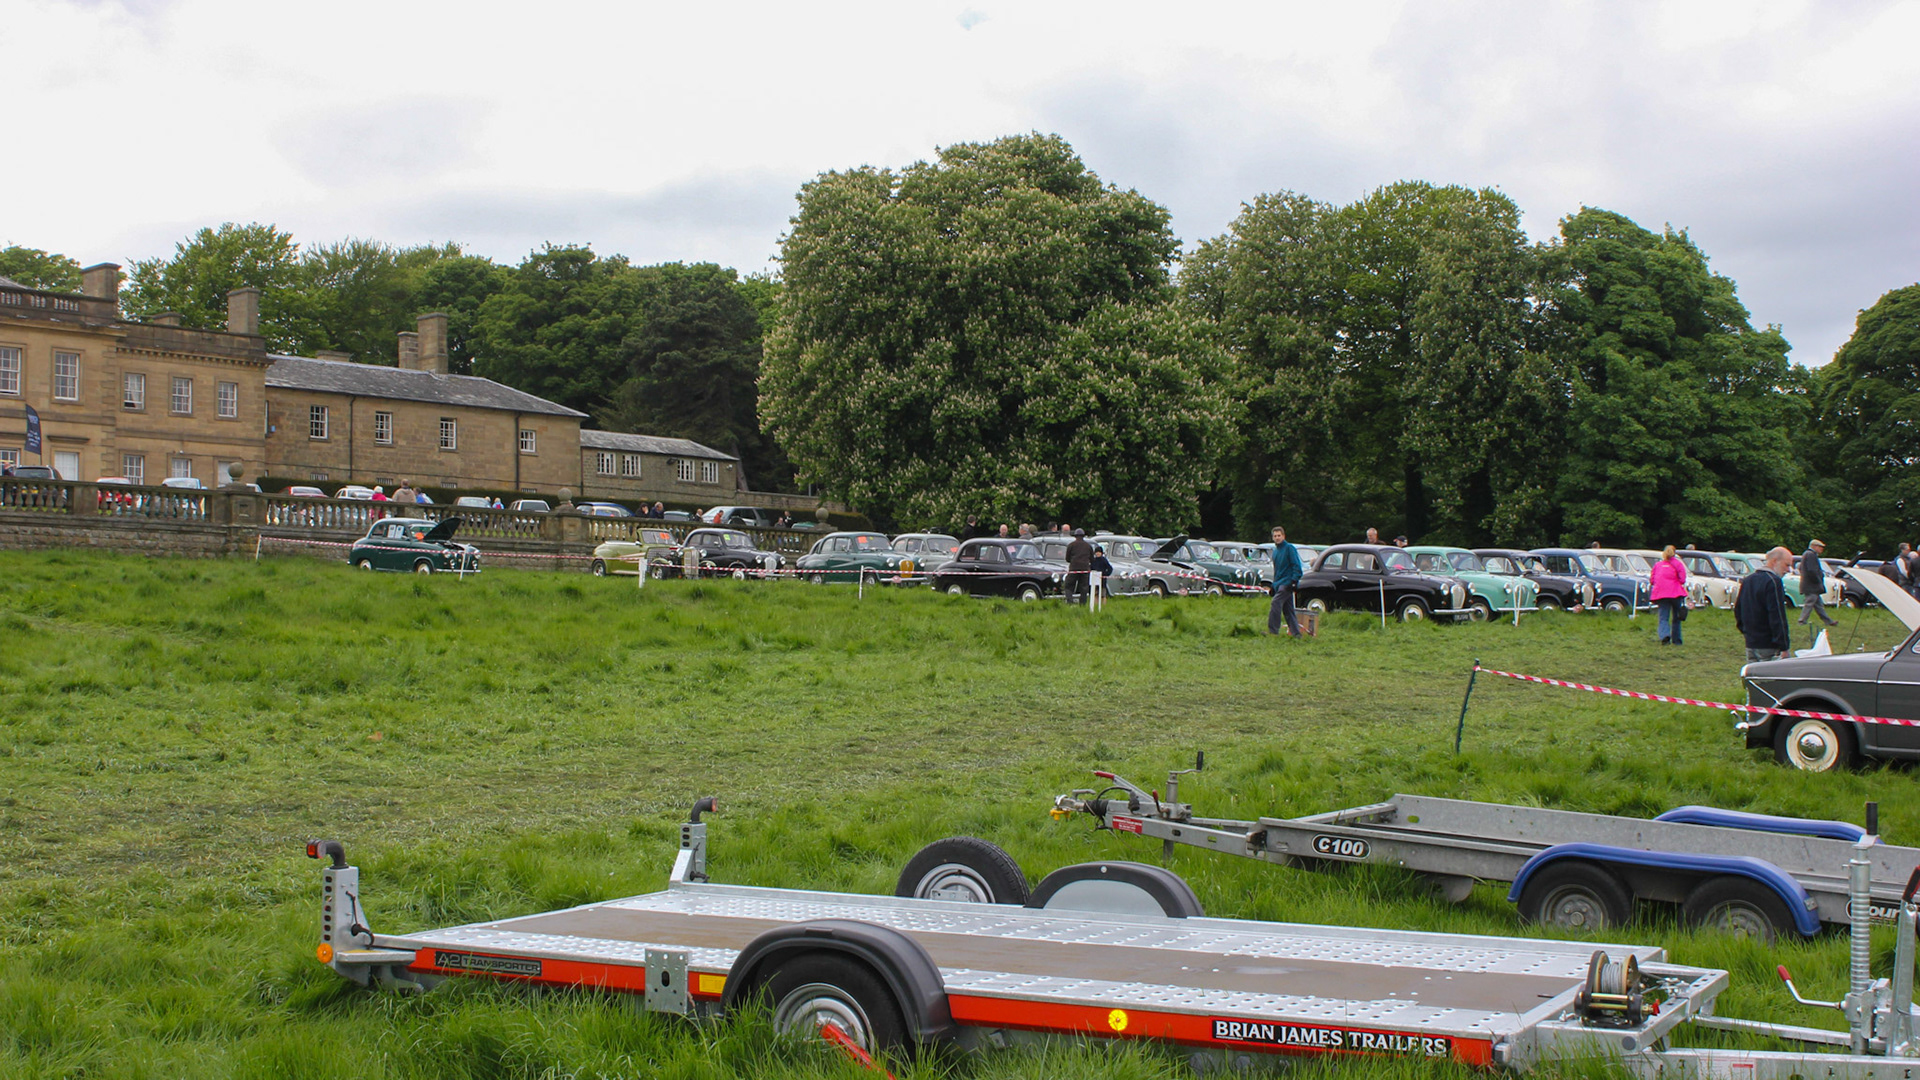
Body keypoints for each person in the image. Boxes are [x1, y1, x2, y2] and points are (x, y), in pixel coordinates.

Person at [1734, 546, 1794, 662]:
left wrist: (1746, 632)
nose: (1788, 570)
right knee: (1771, 678)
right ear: (1775, 561)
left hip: (1751, 642)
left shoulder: (1748, 580)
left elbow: (1738, 610)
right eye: (1786, 565)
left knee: (1754, 677)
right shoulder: (1773, 582)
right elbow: (1777, 615)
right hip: (1769, 644)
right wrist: (1784, 646)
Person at [1267, 525, 1304, 637]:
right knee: (1288, 610)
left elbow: (1296, 566)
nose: (1277, 538)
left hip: (1287, 583)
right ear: (1273, 538)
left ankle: (1273, 631)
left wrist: (1293, 581)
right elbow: (1277, 571)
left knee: (1275, 603)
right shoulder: (1275, 552)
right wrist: (1273, 586)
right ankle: (1296, 634)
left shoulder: (1289, 548)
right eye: (1275, 536)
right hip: (1279, 583)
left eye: (1279, 535)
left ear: (1283, 536)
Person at [1797, 539, 1839, 634]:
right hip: (1812, 584)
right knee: (1809, 603)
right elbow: (1812, 570)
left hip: (1809, 584)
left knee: (1818, 605)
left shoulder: (1806, 554)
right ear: (1814, 546)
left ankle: (1829, 621)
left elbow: (1800, 568)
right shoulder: (1811, 555)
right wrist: (1818, 580)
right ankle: (1802, 621)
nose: (1822, 549)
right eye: (1820, 547)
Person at [1649, 545, 1688, 645]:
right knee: (1676, 618)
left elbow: (1652, 580)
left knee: (1663, 617)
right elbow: (1682, 580)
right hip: (1676, 593)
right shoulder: (1678, 564)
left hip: (1662, 594)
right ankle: (1677, 640)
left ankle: (1664, 635)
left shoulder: (1658, 565)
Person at [1064, 528, 1094, 604]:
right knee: (1084, 588)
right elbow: (1092, 559)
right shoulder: (1088, 546)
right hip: (1085, 569)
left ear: (1075, 536)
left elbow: (1067, 559)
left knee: (1068, 586)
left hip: (1074, 568)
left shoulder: (1071, 545)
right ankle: (1082, 604)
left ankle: (1070, 602)